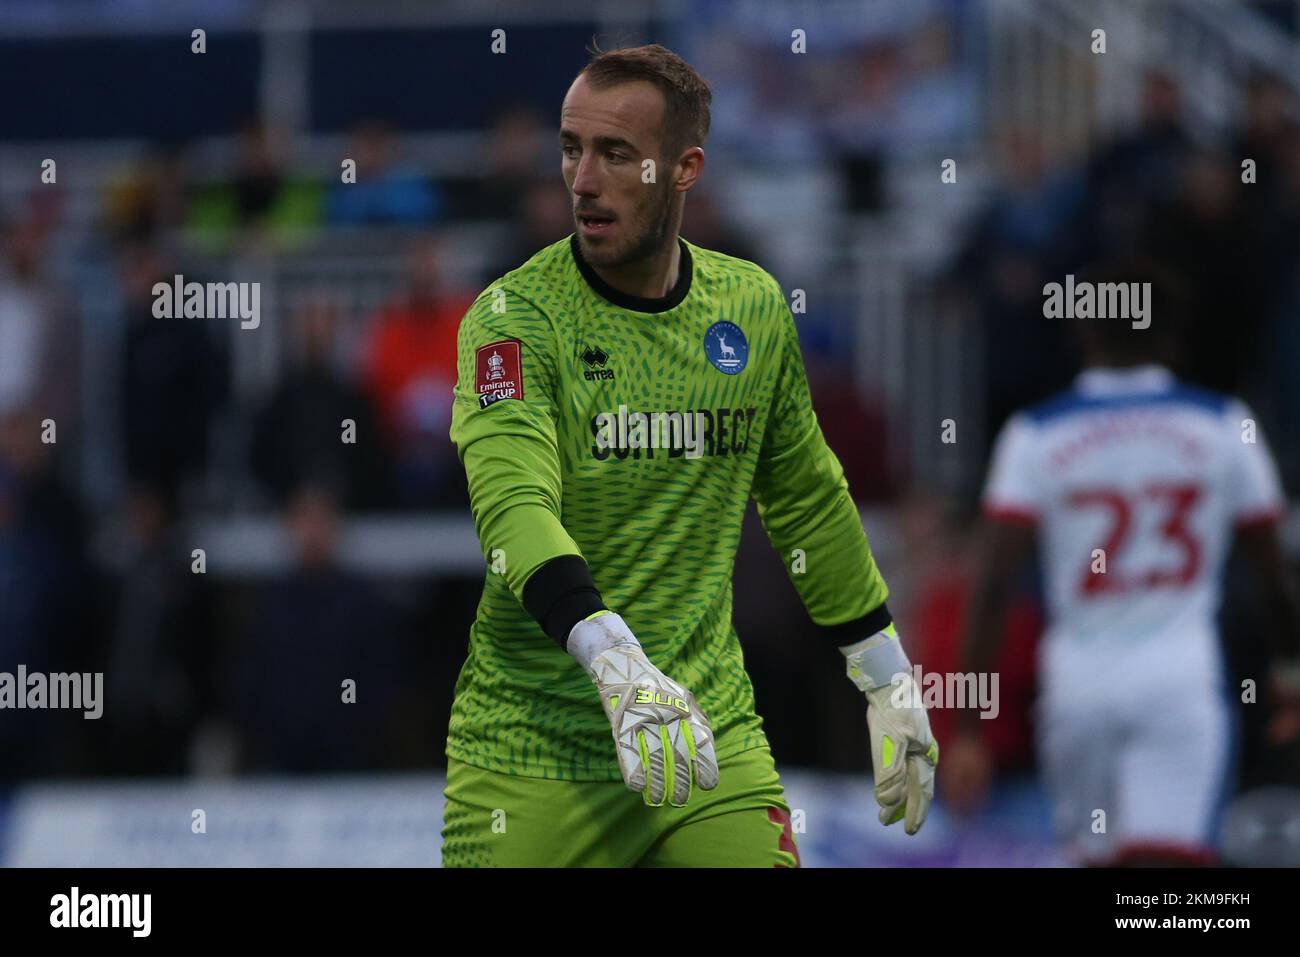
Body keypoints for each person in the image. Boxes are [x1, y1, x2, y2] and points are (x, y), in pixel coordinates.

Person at [440, 43, 938, 867]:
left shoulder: (749, 306)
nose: (583, 180)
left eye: (616, 154)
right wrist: (614, 659)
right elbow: (513, 508)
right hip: (534, 753)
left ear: (683, 170)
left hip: (707, 734)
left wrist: (885, 669)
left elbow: (806, 496)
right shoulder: (513, 319)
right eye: (571, 148)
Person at [945, 261, 1300, 866]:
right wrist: (1291, 668)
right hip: (1180, 680)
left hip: (1078, 685)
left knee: (1095, 859)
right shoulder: (1223, 424)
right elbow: (1272, 569)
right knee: (1166, 876)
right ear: (1174, 333)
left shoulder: (1035, 434)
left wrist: (970, 730)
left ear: (1082, 332)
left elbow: (991, 585)